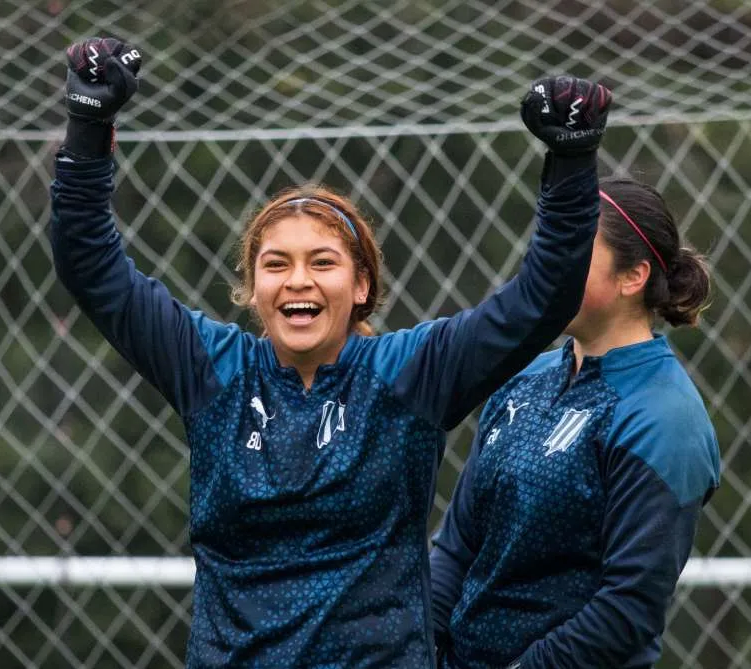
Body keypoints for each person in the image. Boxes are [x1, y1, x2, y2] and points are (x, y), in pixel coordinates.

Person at [51, 37, 611, 668]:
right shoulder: (210, 369)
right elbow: (90, 265)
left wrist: (571, 161)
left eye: (323, 263)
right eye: (276, 264)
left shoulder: (410, 375)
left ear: (361, 286)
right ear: (252, 288)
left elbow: (542, 297)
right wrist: (89, 124)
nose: (298, 281)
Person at [429, 176, 722, 669]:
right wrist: (425, 646)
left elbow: (626, 611)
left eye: (574, 251)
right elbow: (457, 545)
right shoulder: (522, 376)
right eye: (550, 246)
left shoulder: (663, 417)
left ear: (633, 277)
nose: (549, 266)